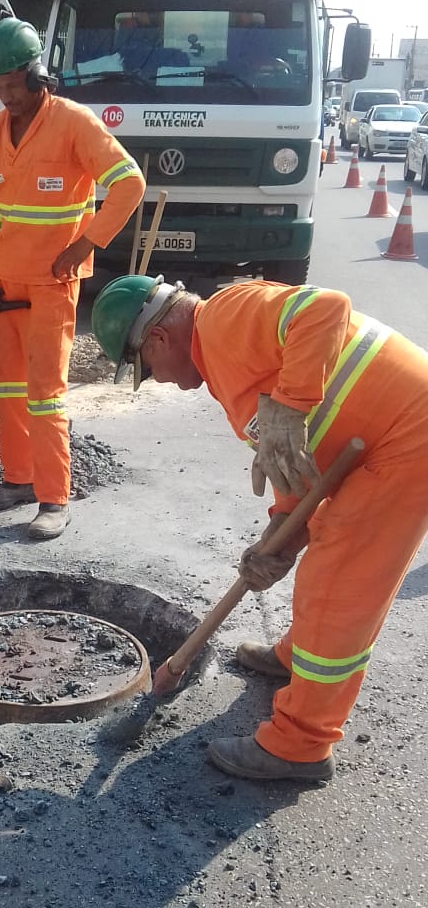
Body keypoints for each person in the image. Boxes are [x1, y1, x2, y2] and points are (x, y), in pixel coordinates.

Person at [91, 275, 428, 783]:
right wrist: (279, 539)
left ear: (158, 339)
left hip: (405, 437)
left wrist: (290, 404)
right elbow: (297, 469)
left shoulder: (224, 317)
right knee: (321, 578)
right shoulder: (224, 368)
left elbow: (324, 306)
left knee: (337, 588)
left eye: (147, 369)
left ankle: (300, 745)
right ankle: (299, 656)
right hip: (374, 445)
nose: (156, 379)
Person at [0, 17, 145, 541]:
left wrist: (87, 241)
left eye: (15, 85)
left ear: (37, 74)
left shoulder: (74, 124)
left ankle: (53, 496)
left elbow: (129, 182)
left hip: (51, 284)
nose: (8, 97)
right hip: (6, 283)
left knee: (44, 393)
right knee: (9, 387)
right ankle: (19, 479)